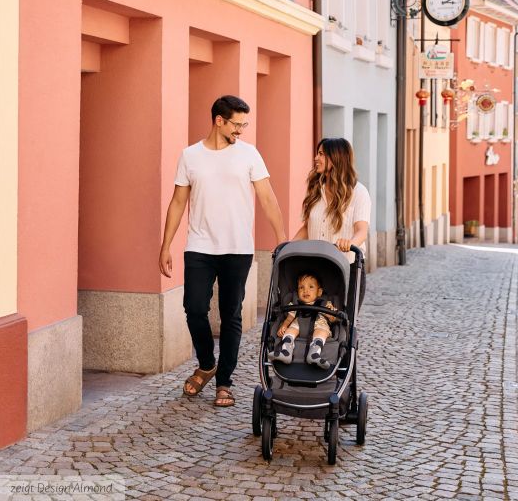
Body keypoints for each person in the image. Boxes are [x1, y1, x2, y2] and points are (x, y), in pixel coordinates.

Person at [159, 95, 286, 407]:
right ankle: (206, 363)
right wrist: (165, 246)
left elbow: (267, 198)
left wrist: (282, 239)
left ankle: (224, 382)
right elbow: (178, 202)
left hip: (237, 248)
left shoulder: (249, 155)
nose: (241, 130)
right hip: (199, 246)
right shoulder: (190, 156)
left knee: (231, 315)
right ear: (219, 120)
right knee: (194, 307)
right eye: (237, 123)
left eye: (244, 124)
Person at [293, 138, 371, 313]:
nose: (315, 158)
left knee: (342, 323)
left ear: (335, 158)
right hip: (316, 269)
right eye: (317, 153)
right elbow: (307, 227)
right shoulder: (315, 189)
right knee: (311, 320)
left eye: (321, 154)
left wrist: (350, 243)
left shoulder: (358, 193)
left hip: (346, 268)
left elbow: (361, 230)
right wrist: (288, 247)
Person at [268, 273, 338, 369]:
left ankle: (314, 354)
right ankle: (286, 352)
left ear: (319, 292)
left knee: (322, 331)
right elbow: (289, 318)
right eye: (301, 287)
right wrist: (284, 326)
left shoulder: (325, 303)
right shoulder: (295, 303)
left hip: (319, 324)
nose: (305, 290)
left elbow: (333, 319)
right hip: (299, 324)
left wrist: (331, 314)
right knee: (290, 330)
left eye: (311, 287)